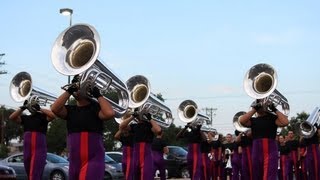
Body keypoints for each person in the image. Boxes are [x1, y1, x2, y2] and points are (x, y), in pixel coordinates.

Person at [51, 76, 115, 180]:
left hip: (93, 159)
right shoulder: (71, 110)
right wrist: (69, 90)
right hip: (74, 160)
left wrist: (98, 94)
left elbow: (110, 113)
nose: (76, 87)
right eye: (75, 84)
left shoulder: (95, 108)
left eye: (79, 85)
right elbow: (54, 108)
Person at [239, 99, 289, 180]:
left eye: (261, 105)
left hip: (270, 149)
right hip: (256, 149)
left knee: (269, 174)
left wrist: (274, 109)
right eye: (257, 105)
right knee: (257, 174)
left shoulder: (273, 118)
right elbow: (241, 121)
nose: (260, 107)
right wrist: (254, 109)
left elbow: (285, 122)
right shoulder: (253, 120)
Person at [9, 100, 56, 180]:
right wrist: (22, 108)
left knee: (34, 173)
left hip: (39, 147)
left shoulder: (43, 117)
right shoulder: (26, 118)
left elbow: (52, 115)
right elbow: (12, 117)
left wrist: (40, 108)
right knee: (29, 172)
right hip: (27, 148)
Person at [119, 109, 161, 180]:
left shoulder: (149, 126)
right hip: (135, 157)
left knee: (146, 177)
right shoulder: (134, 126)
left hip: (146, 156)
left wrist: (150, 118)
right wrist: (133, 116)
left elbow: (158, 130)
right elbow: (122, 126)